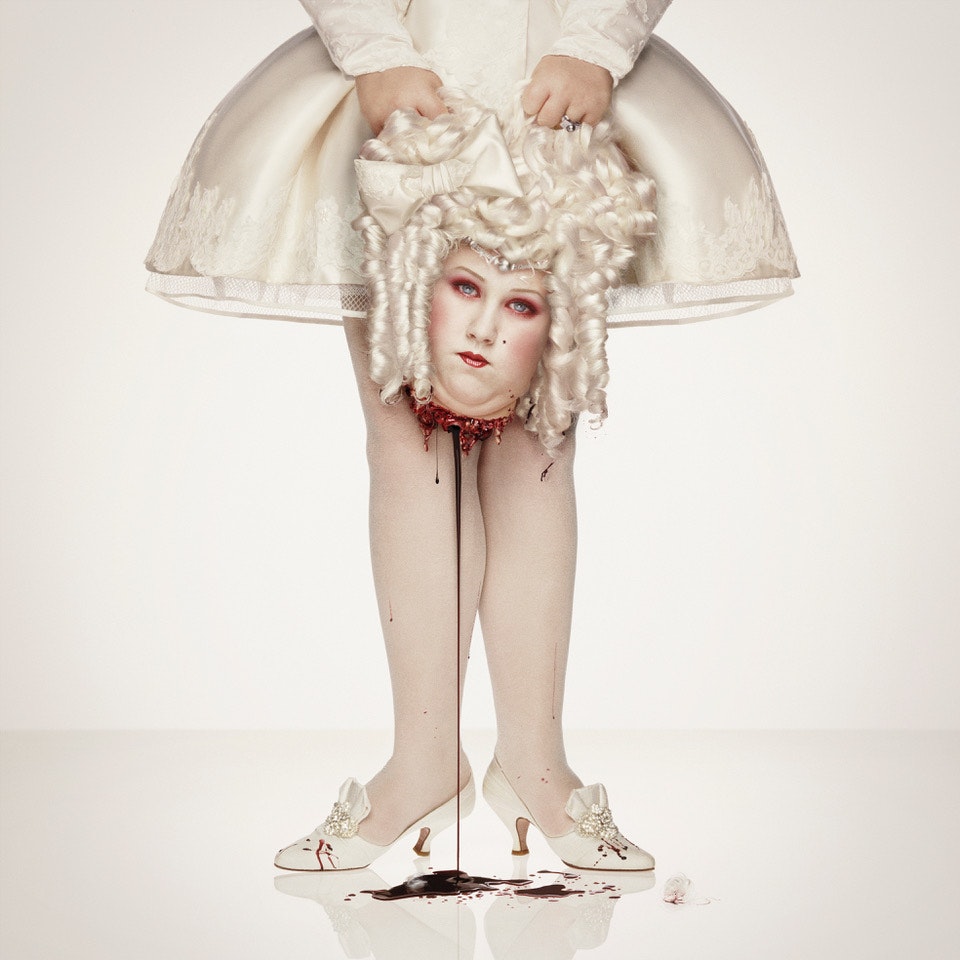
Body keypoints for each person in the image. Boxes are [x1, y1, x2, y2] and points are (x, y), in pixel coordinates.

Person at [144, 0, 798, 872]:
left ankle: (535, 763)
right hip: (405, 84)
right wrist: (371, 46)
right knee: (409, 437)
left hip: (557, 89)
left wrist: (598, 40)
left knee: (539, 443)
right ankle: (423, 760)